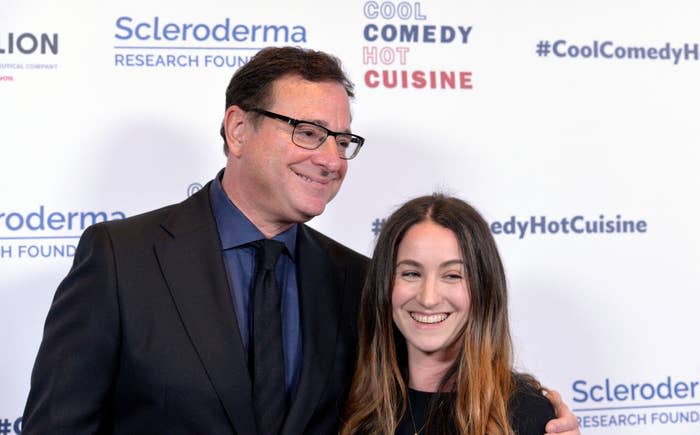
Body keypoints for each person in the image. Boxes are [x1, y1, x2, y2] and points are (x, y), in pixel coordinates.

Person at [22, 47, 579, 434]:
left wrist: (531, 414)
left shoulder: (357, 279)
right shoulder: (123, 259)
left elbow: (434, 391)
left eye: (342, 140)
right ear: (239, 130)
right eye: (307, 133)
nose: (330, 159)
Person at [342, 194, 563, 434]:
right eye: (411, 274)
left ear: (484, 289)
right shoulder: (353, 408)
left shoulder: (526, 415)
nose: (428, 299)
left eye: (452, 275)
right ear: (384, 285)